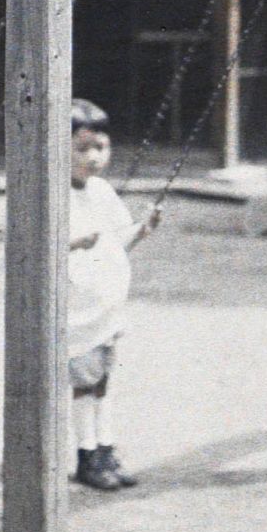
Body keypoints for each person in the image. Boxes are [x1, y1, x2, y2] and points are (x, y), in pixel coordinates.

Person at [66, 99, 161, 491]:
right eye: (82, 148)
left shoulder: (102, 191)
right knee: (84, 382)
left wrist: (141, 229)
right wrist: (73, 243)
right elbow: (35, 251)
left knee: (103, 382)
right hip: (77, 309)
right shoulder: (53, 195)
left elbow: (117, 242)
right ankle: (86, 454)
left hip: (105, 308)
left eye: (100, 148)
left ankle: (106, 448)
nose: (93, 157)